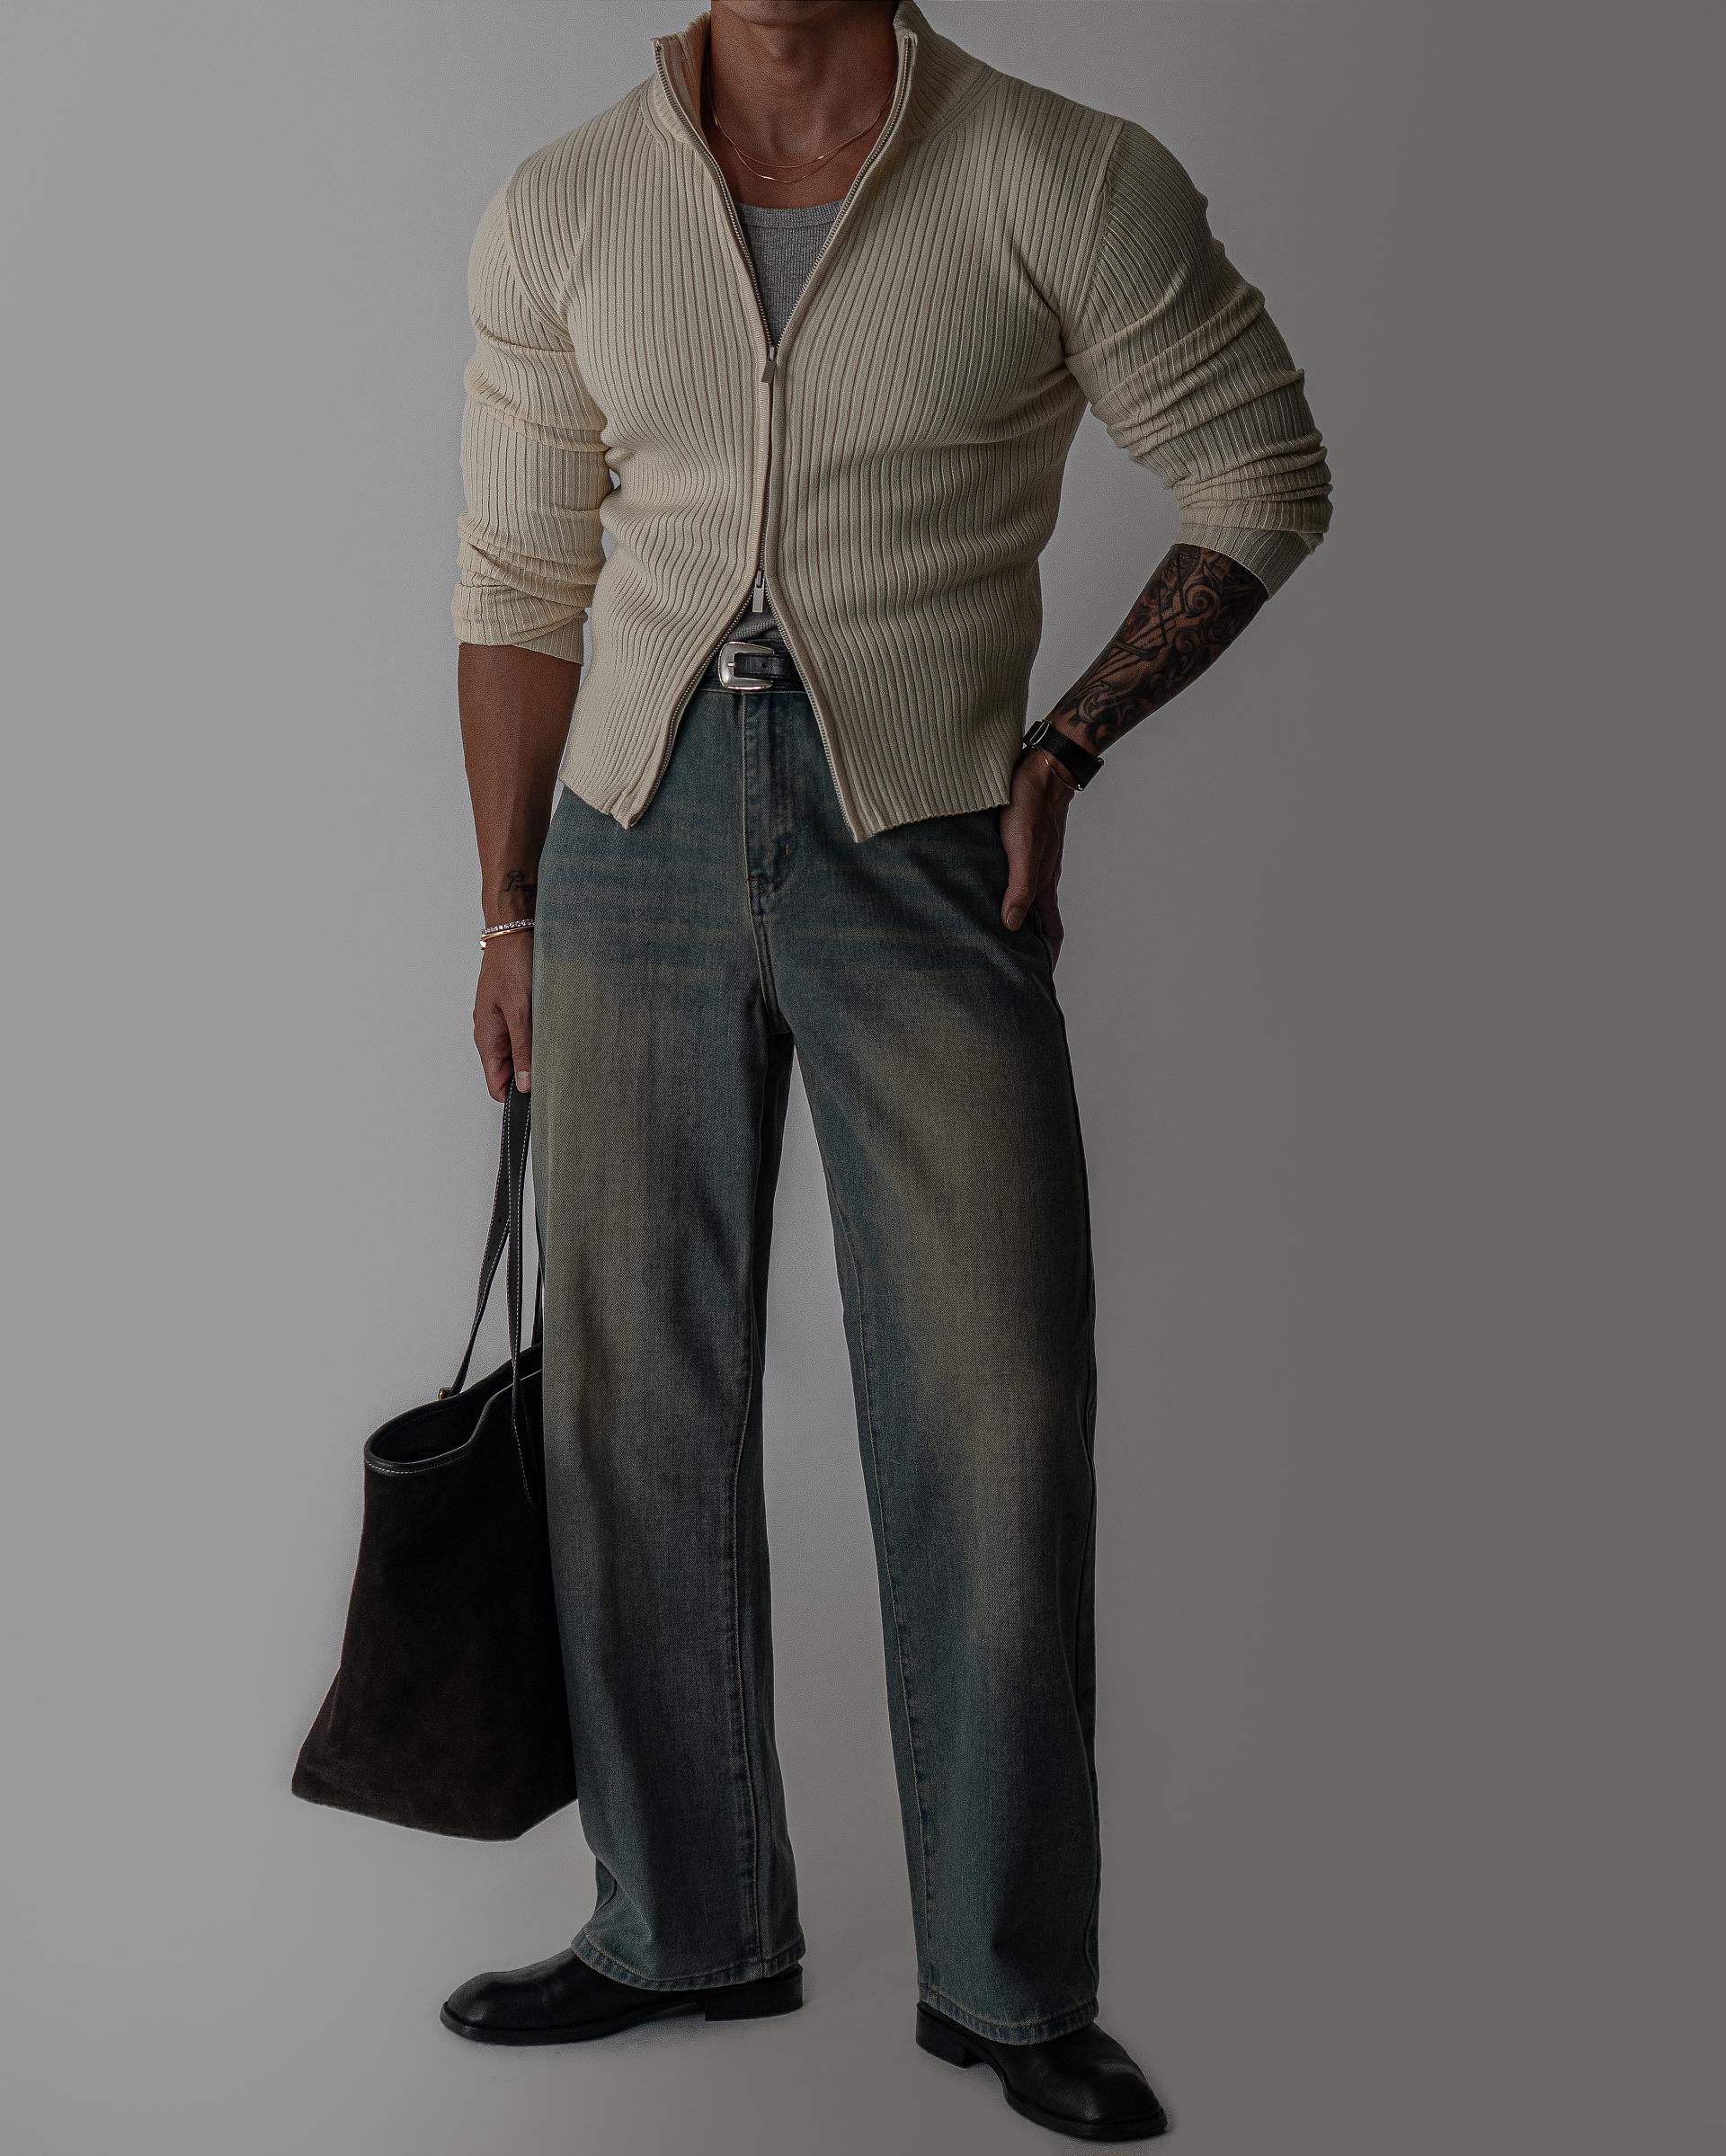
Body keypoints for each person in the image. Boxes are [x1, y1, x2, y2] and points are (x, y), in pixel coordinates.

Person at [440, 0, 1330, 2138]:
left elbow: (1263, 468)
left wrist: (1067, 749)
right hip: (631, 842)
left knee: (993, 1410)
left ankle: (1011, 1984)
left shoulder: (1062, 174)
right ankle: (679, 1925)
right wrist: (508, 910)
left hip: (924, 832)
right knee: (631, 1406)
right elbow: (520, 578)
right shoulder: (565, 202)